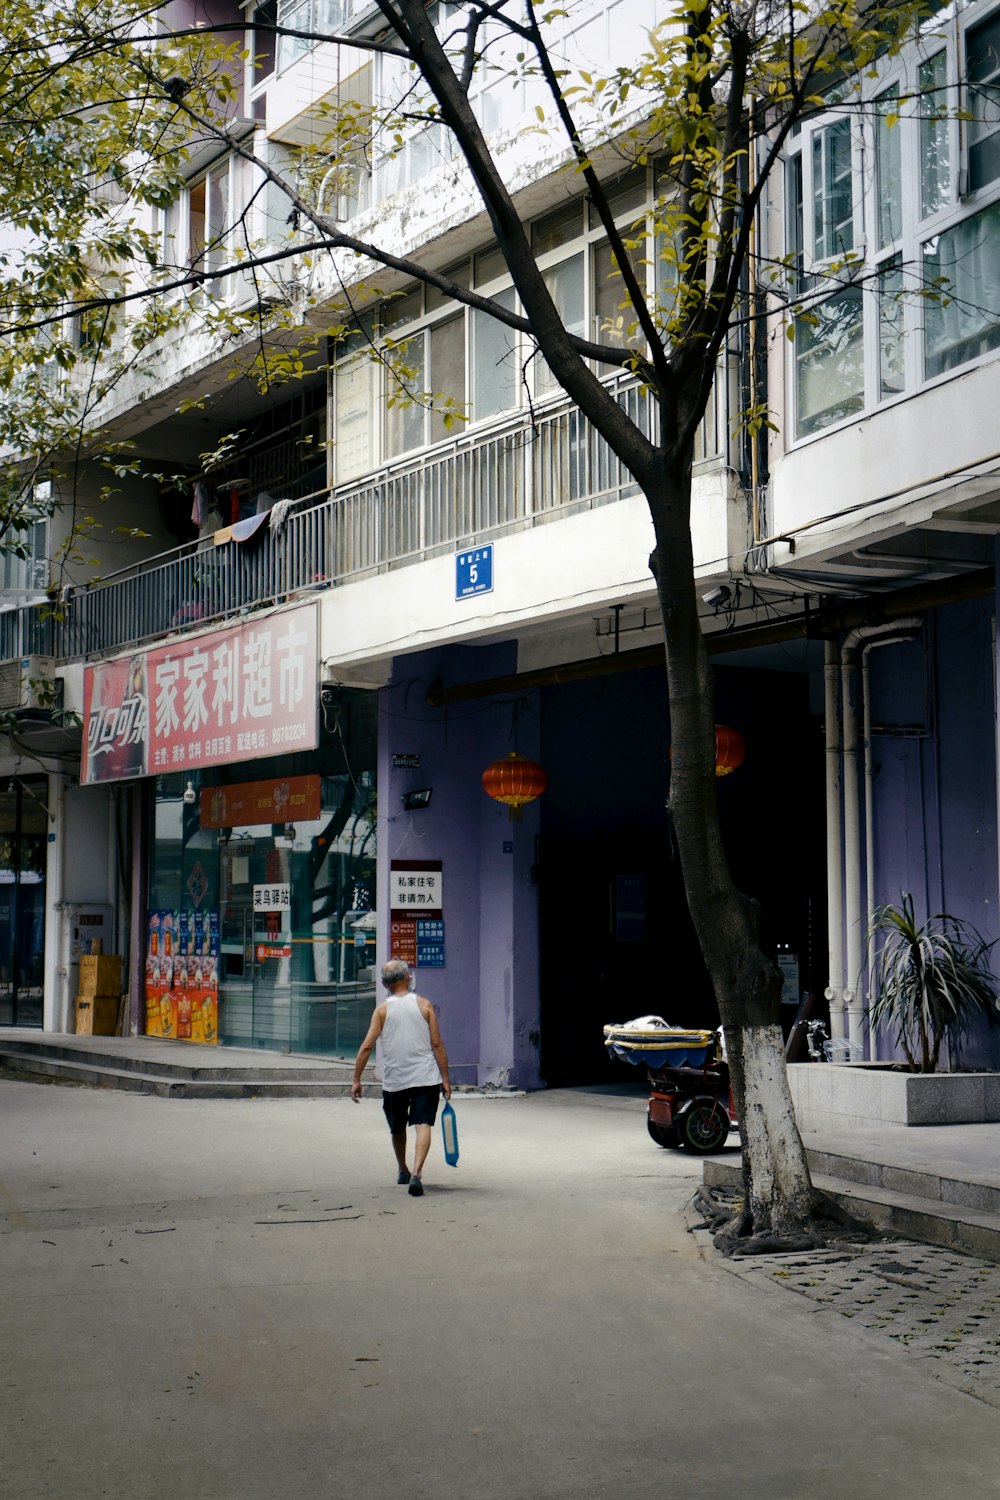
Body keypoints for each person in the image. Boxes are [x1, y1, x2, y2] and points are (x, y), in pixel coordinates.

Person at [351, 959, 452, 1198]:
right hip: (426, 1077)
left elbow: (367, 1046)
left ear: (385, 985)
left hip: (395, 1079)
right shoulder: (425, 1005)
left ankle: (403, 1169)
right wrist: (445, 1078)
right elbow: (437, 1044)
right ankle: (417, 1172)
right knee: (423, 1124)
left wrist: (356, 1079)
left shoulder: (382, 1011)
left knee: (397, 1127)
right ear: (407, 977)